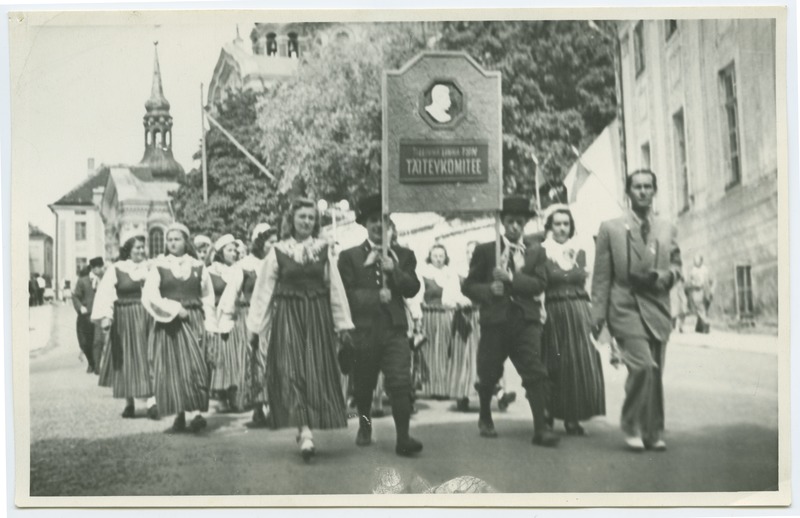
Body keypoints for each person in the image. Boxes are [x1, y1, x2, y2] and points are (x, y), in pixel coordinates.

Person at [246, 198, 353, 461]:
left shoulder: (324, 249)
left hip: (317, 316)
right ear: (291, 220)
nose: (307, 222)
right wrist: (255, 327)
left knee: (314, 370)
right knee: (292, 370)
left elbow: (335, 290)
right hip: (288, 316)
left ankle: (308, 425)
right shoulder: (278, 251)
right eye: (302, 217)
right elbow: (263, 292)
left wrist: (343, 325)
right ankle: (304, 430)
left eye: (311, 218)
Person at [591, 169, 682, 452]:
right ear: (628, 193)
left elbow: (677, 265)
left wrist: (661, 277)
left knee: (654, 374)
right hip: (624, 305)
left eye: (647, 187)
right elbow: (602, 276)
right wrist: (598, 317)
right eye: (637, 187)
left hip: (656, 305)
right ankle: (631, 423)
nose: (643, 191)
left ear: (655, 191)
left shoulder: (668, 226)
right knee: (643, 366)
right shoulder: (611, 228)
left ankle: (652, 432)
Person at [462, 196, 559, 447]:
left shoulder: (536, 252)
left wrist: (511, 278)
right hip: (495, 321)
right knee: (489, 372)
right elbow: (469, 286)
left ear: (525, 223)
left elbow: (540, 283)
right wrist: (487, 290)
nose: (515, 226)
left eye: (520, 222)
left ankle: (540, 428)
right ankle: (485, 416)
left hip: (525, 321)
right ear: (502, 222)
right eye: (510, 221)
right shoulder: (486, 250)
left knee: (534, 371)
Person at [338, 194, 424, 457]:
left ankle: (403, 437)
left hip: (394, 328)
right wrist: (375, 296)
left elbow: (412, 288)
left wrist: (394, 271)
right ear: (365, 224)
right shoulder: (349, 257)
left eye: (383, 220)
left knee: (400, 382)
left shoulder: (404, 255)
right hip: (364, 331)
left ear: (390, 223)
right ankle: (365, 426)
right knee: (364, 385)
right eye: (374, 220)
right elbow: (345, 296)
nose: (379, 225)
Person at [142, 223, 216, 433]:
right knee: (174, 368)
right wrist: (174, 309)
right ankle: (179, 414)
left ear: (186, 241)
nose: (173, 243)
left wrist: (210, 324)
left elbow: (208, 297)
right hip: (169, 324)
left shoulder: (198, 266)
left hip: (194, 320)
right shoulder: (160, 266)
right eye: (170, 239)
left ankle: (198, 414)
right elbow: (149, 296)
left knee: (196, 365)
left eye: (177, 239)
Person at [540, 205, 605, 435]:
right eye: (557, 224)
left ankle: (572, 417)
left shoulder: (580, 250)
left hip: (578, 310)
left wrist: (594, 312)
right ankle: (547, 413)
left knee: (578, 362)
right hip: (554, 311)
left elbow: (588, 283)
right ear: (549, 227)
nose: (562, 228)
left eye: (566, 224)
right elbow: (540, 285)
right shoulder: (542, 251)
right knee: (554, 362)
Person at [91, 235, 158, 419]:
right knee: (127, 358)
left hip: (145, 316)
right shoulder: (117, 269)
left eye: (143, 247)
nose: (141, 251)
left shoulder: (150, 268)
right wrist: (106, 316)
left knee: (147, 355)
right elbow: (106, 293)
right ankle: (129, 403)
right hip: (124, 319)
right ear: (128, 250)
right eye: (137, 248)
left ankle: (152, 401)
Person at [238, 223, 279, 425]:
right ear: (261, 243)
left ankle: (274, 407)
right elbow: (233, 292)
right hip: (252, 315)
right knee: (255, 362)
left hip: (274, 316)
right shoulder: (246, 265)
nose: (275, 245)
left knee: (273, 361)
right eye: (271, 242)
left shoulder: (279, 262)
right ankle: (257, 408)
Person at [207, 234, 249, 413]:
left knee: (235, 358)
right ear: (220, 252)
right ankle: (220, 396)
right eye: (229, 250)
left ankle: (235, 395)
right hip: (215, 317)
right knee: (219, 359)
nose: (233, 253)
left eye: (235, 250)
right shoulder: (209, 271)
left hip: (234, 318)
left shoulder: (238, 271)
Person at [72, 257, 105, 374]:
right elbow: (75, 296)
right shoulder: (82, 281)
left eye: (102, 267)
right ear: (93, 268)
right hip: (85, 316)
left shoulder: (104, 280)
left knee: (97, 341)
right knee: (85, 342)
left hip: (99, 315)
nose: (101, 269)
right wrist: (80, 307)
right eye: (99, 267)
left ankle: (96, 366)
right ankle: (91, 362)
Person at [687, 255, 713, 334]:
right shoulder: (694, 270)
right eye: (695, 260)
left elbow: (706, 281)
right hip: (698, 290)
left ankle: (705, 324)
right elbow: (691, 279)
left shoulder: (703, 270)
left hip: (701, 290)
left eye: (697, 260)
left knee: (700, 307)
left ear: (701, 261)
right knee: (700, 308)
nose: (695, 261)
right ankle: (699, 327)